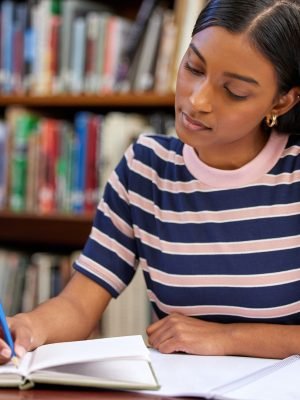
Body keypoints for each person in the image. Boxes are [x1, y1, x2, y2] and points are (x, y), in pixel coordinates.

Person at [1, 0, 300, 363]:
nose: (198, 99)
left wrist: (227, 337)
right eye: (193, 67)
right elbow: (79, 303)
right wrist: (29, 328)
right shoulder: (146, 168)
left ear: (282, 102)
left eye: (234, 91)